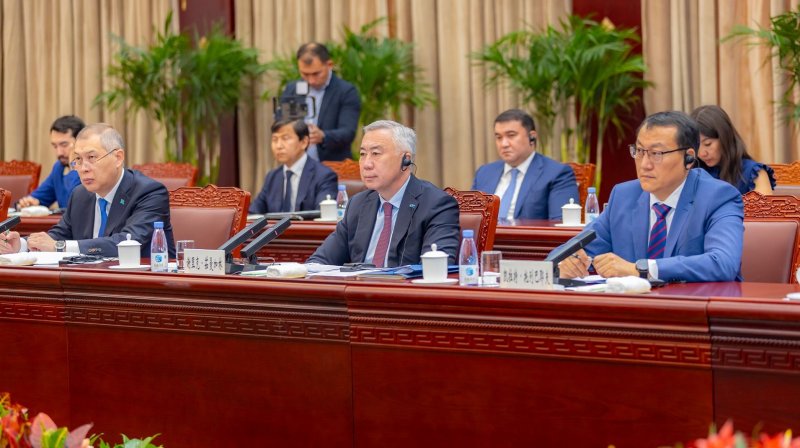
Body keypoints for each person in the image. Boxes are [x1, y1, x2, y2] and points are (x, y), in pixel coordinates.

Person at [557, 111, 744, 283]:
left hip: (693, 305)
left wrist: (642, 269)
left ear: (688, 158)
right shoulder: (624, 196)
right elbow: (569, 252)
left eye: (656, 154)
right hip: (633, 307)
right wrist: (566, 263)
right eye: (639, 151)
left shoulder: (718, 197)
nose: (644, 164)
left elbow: (723, 263)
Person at [0, 123, 175, 257]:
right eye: (77, 160)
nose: (83, 168)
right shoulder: (80, 194)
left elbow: (128, 243)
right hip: (89, 283)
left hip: (140, 286)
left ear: (118, 158)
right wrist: (22, 245)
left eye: (91, 157)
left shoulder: (149, 192)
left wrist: (60, 247)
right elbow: (60, 234)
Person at [307, 120, 460, 267]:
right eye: (362, 154)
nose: (366, 164)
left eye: (376, 153)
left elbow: (436, 269)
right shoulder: (357, 205)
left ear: (405, 160)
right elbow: (319, 261)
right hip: (359, 284)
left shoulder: (436, 204)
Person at [472, 109, 579, 221]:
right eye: (499, 137)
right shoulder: (484, 173)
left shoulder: (557, 174)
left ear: (532, 137)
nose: (504, 144)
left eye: (511, 135)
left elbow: (561, 223)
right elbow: (469, 217)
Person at [280, 42, 361, 162]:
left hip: (334, 166)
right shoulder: (292, 89)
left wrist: (323, 136)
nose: (311, 80)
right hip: (297, 163)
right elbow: (282, 122)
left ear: (329, 65)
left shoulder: (346, 91)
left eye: (316, 73)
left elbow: (348, 132)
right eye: (305, 74)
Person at [249, 119, 338, 214]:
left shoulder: (324, 176)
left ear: (304, 142)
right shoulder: (272, 177)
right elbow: (253, 212)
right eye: (275, 139)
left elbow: (323, 215)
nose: (278, 146)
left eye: (285, 138)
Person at [690, 105, 776, 195]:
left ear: (725, 137)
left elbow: (764, 203)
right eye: (696, 146)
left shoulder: (754, 173)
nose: (702, 153)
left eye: (708, 144)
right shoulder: (693, 173)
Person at [16, 116, 84, 209]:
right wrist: (28, 202)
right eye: (55, 146)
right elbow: (39, 197)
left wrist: (73, 164)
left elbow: (75, 203)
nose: (59, 153)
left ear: (80, 142)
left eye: (64, 145)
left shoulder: (89, 168)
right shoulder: (58, 167)